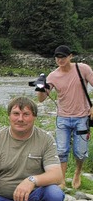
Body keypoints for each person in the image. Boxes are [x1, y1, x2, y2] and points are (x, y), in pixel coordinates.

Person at [36, 45, 93, 189]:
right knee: (61, 150)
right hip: (63, 117)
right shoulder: (53, 75)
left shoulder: (83, 69)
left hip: (82, 117)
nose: (60, 60)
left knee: (80, 152)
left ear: (70, 56)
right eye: (57, 57)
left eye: (63, 57)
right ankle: (61, 179)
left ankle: (77, 173)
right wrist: (40, 86)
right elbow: (41, 99)